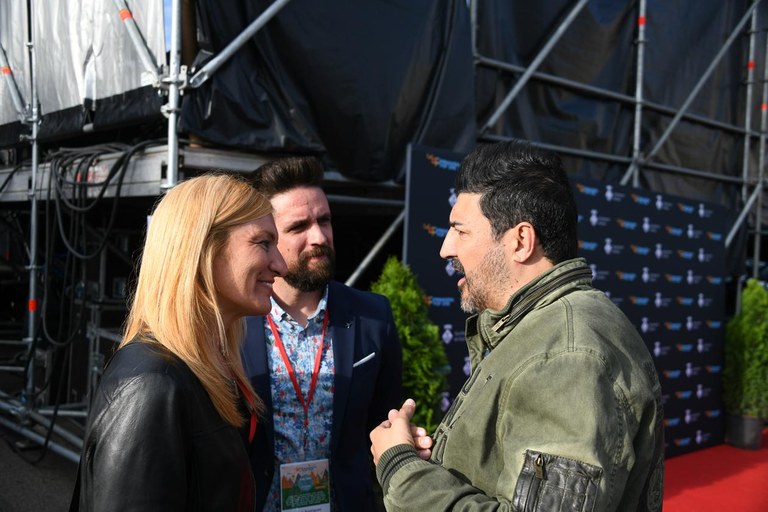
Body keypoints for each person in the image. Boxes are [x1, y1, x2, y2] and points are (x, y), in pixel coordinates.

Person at [370, 140, 665, 511]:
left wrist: (401, 468)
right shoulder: (547, 328)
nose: (446, 248)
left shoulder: (567, 357)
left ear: (520, 241)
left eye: (460, 231)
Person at [71, 174, 287, 511]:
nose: (281, 264)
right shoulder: (150, 387)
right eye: (263, 242)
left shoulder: (210, 364)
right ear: (203, 248)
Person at [241, 156, 403, 511]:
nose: (319, 236)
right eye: (299, 226)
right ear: (266, 239)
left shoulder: (373, 316)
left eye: (324, 220)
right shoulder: (233, 322)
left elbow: (386, 425)